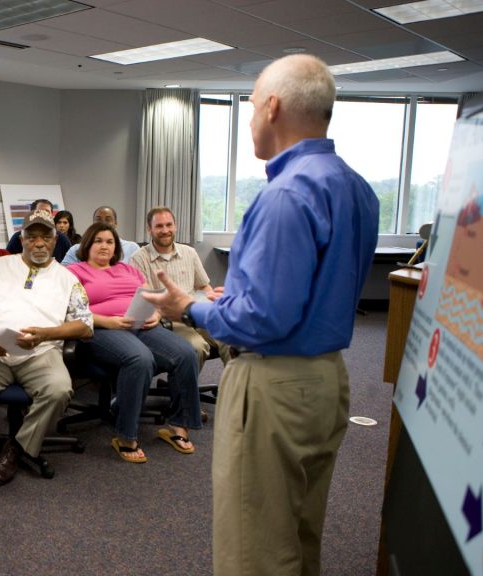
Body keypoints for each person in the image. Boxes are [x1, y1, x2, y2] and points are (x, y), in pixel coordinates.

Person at [142, 55, 379, 576]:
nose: (249, 119)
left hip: (273, 387)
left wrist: (192, 306)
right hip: (326, 381)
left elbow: (261, 321)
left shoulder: (284, 195)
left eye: (250, 107)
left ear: (272, 107)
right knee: (298, 535)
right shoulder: (357, 187)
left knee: (255, 553)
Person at [0, 210, 92, 487]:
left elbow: (84, 326)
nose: (39, 243)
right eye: (32, 237)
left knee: (59, 389)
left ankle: (18, 446)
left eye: (45, 237)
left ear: (55, 240)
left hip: (42, 352)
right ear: (22, 239)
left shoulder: (68, 278)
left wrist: (45, 335)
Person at [68, 222, 201, 460]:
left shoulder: (129, 270)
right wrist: (108, 322)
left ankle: (179, 426)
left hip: (141, 325)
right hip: (102, 330)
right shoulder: (74, 272)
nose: (104, 246)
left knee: (186, 353)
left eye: (110, 242)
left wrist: (156, 314)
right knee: (139, 359)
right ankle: (126, 436)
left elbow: (154, 297)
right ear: (87, 244)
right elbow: (68, 312)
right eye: (98, 241)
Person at [129, 207, 231, 369]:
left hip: (196, 311)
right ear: (149, 229)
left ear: (175, 226)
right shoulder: (139, 259)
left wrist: (214, 306)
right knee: (197, 348)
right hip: (168, 319)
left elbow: (203, 285)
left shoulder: (189, 252)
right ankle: (184, 393)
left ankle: (231, 392)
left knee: (231, 339)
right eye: (159, 226)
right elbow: (144, 301)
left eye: (169, 225)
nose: (165, 230)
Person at [61, 206, 139, 265]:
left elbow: (140, 278)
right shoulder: (76, 249)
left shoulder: (132, 248)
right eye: (98, 219)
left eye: (108, 219)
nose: (103, 223)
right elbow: (63, 276)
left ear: (116, 223)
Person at [5, 199, 71, 262]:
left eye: (46, 212)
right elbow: (7, 262)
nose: (43, 215)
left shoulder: (62, 239)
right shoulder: (18, 237)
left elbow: (70, 265)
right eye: (39, 212)